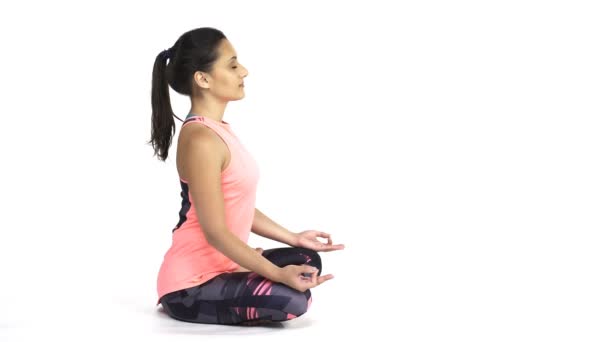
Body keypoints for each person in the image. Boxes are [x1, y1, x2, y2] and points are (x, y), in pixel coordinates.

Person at [148, 27, 345, 326]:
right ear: (203, 79)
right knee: (293, 301)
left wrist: (294, 237)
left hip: (224, 264)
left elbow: (233, 203)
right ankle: (239, 281)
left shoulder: (217, 130)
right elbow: (215, 231)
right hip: (190, 285)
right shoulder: (201, 140)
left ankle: (244, 275)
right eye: (232, 65)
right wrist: (277, 275)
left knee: (307, 260)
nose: (244, 71)